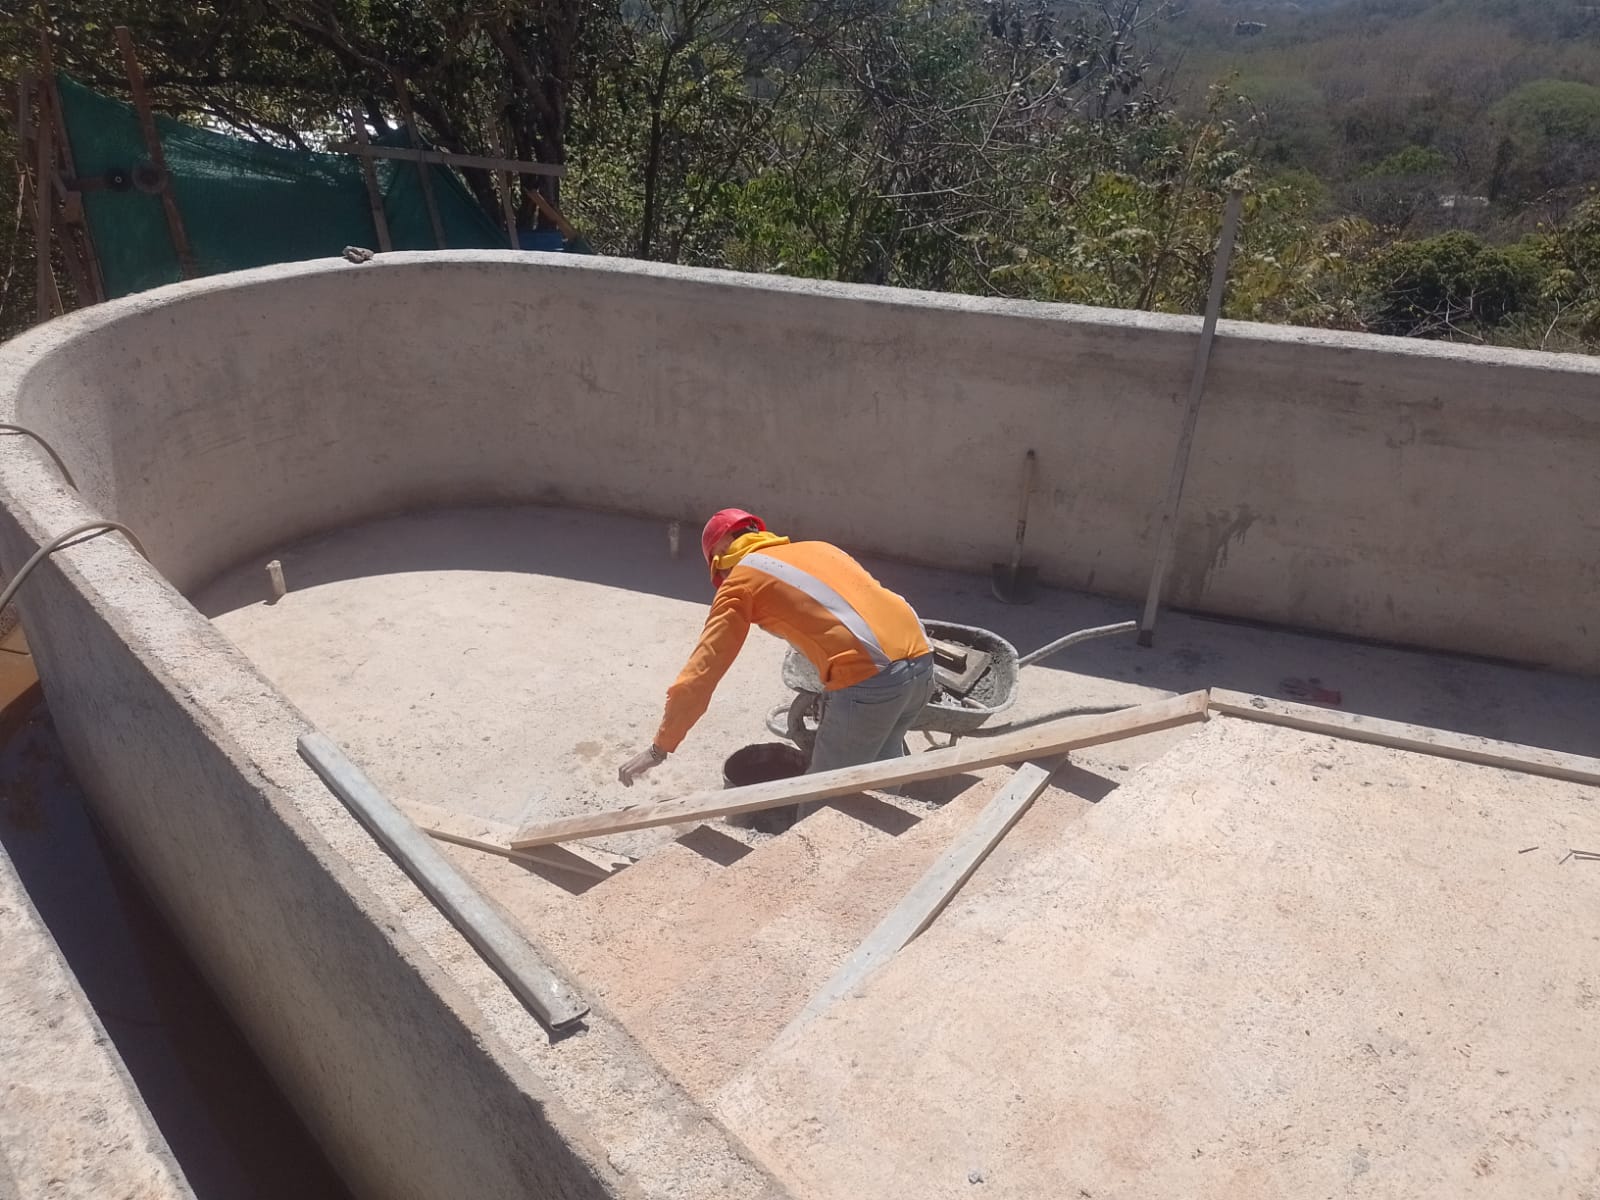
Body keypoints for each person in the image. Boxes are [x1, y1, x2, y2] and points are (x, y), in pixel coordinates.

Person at [618, 508, 935, 787]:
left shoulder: (739, 584)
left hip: (871, 682)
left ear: (724, 553)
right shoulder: (818, 548)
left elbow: (699, 677)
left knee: (824, 799)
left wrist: (659, 748)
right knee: (886, 770)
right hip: (922, 659)